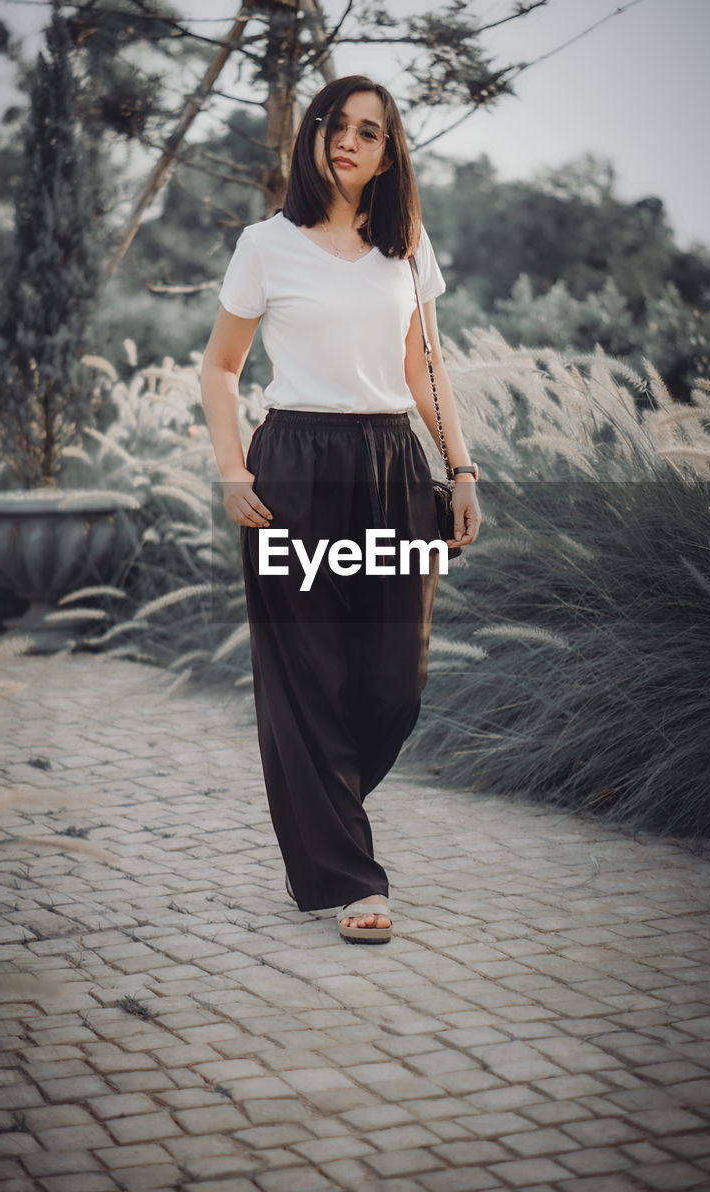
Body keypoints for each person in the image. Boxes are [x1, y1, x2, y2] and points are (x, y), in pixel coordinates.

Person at [200, 74, 481, 943]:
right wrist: (232, 470)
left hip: (393, 467)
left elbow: (424, 370)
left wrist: (460, 468)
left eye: (371, 131)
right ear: (314, 136)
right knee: (306, 678)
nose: (349, 141)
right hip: (293, 468)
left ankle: (326, 805)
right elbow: (218, 368)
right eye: (336, 124)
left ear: (389, 153)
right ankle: (350, 876)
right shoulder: (264, 245)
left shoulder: (406, 244)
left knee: (393, 684)